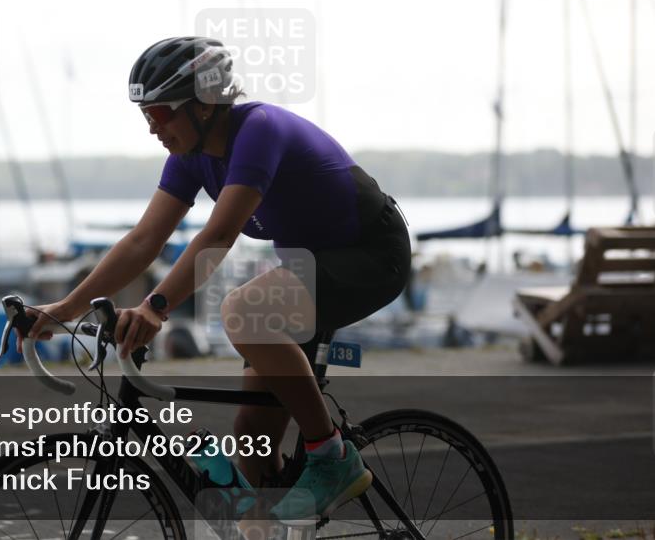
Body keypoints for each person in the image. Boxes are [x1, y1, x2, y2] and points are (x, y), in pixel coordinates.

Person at [24, 36, 411, 522]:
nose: (152, 128)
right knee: (251, 434)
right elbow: (144, 240)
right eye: (146, 117)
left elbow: (220, 233)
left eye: (160, 114)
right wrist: (65, 309)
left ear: (204, 105)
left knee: (243, 312)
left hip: (371, 254)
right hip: (311, 267)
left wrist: (155, 307)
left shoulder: (258, 130)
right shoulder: (190, 158)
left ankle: (330, 457)